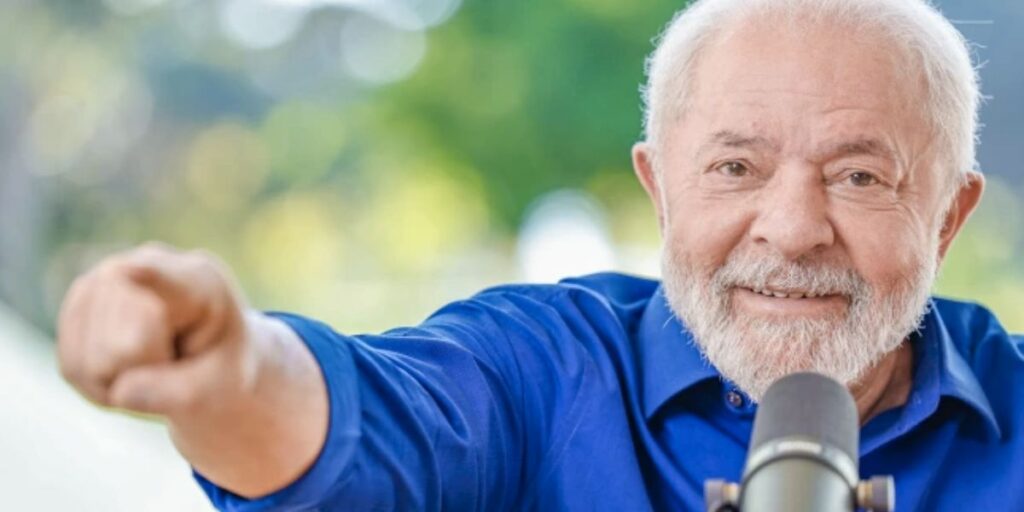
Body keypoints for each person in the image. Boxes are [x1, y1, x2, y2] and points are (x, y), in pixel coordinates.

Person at [57, 0, 1023, 510]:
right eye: (736, 166)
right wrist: (224, 369)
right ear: (660, 188)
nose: (793, 227)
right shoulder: (541, 372)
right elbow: (358, 435)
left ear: (946, 217)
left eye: (860, 178)